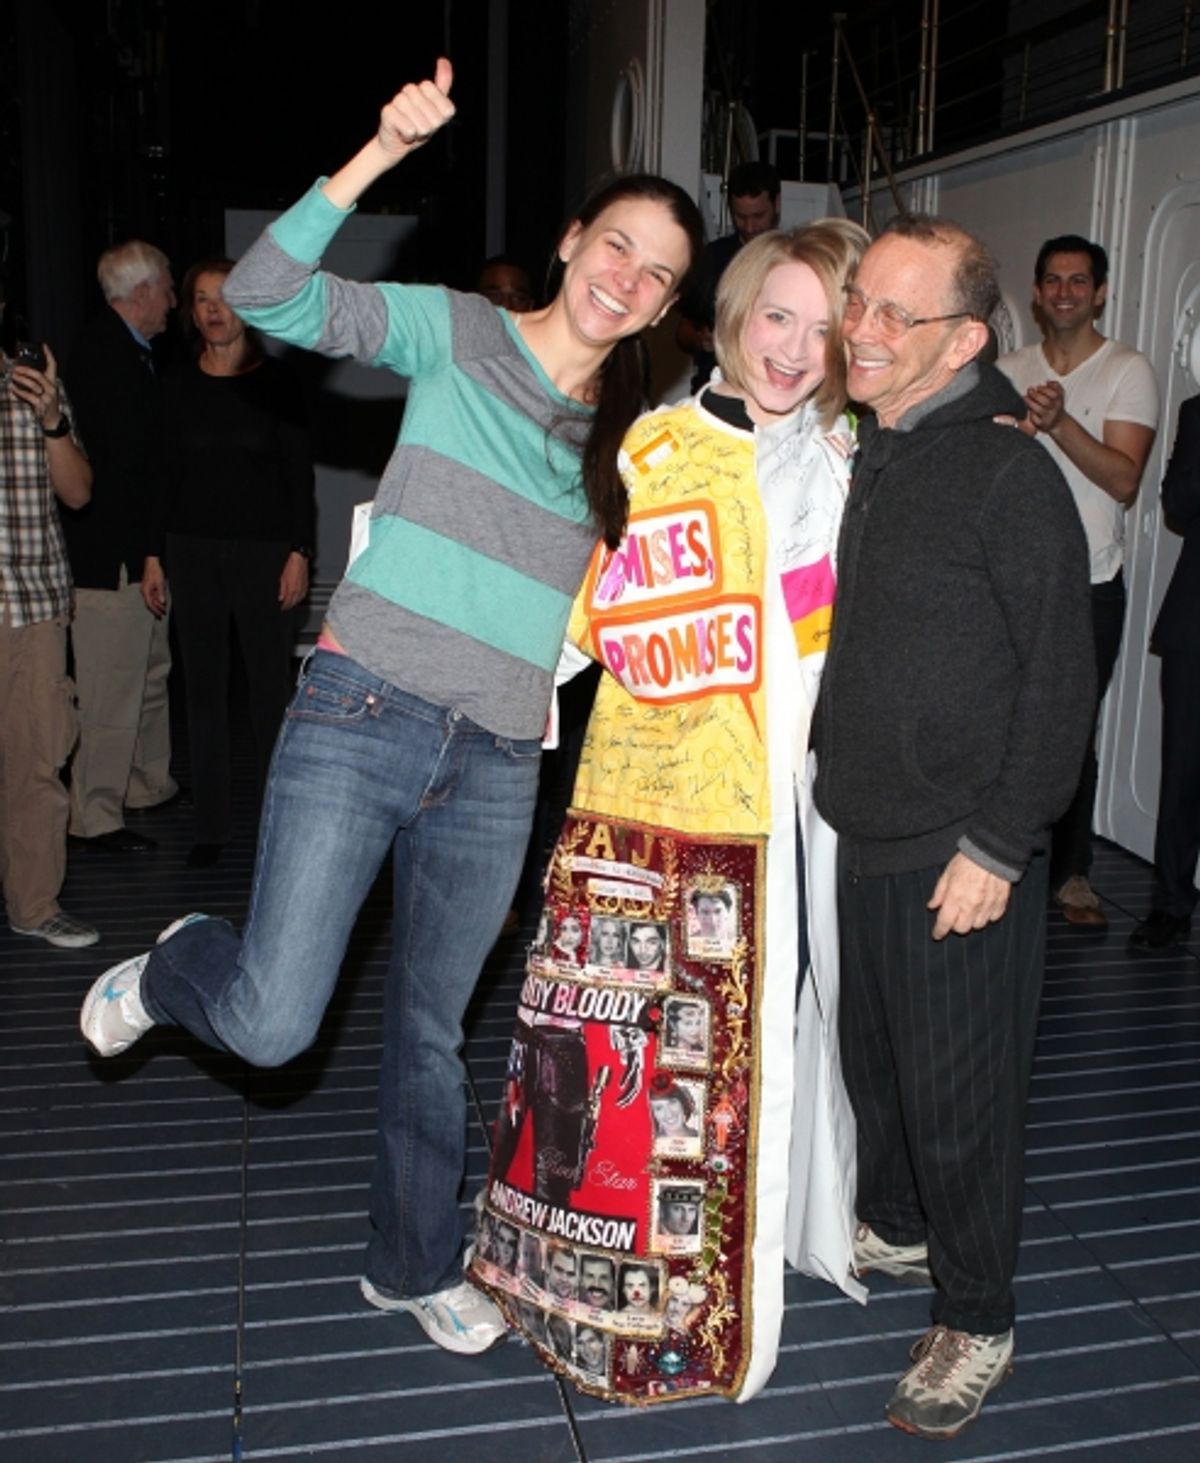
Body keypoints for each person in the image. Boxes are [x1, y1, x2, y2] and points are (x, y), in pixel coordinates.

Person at [79, 59, 702, 1359]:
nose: (631, 279)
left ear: (665, 305)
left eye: (660, 274)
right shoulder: (460, 335)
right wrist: (374, 151)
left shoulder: (629, 438)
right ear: (574, 241)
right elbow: (262, 293)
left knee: (430, 1026)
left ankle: (408, 1260)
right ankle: (183, 960)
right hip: (363, 708)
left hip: (493, 761)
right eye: (619, 245)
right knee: (271, 1018)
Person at [473, 219, 869, 1402]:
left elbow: (831, 648)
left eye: (820, 325)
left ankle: (712, 1313)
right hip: (636, 814)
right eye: (774, 316)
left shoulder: (850, 462)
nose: (793, 348)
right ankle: (574, 1300)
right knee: (592, 1083)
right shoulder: (650, 448)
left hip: (779, 823)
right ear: (735, 318)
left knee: (738, 1088)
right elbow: (566, 625)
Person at [816, 214, 1095, 1438]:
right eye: (857, 303)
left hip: (956, 850)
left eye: (895, 314)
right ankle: (900, 1222)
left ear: (965, 339)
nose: (861, 331)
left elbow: (1060, 678)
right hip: (865, 826)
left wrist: (1001, 840)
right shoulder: (881, 445)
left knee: (961, 1095)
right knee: (876, 1067)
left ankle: (976, 1312)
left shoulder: (1003, 468)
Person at [998, 235, 1159, 928]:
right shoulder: (1006, 369)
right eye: (1052, 280)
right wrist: (1022, 431)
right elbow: (988, 469)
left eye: (1078, 281)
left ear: (1099, 293)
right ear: (1035, 294)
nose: (1065, 291)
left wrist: (1059, 422)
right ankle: (1000, 858)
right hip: (1007, 580)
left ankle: (1072, 873)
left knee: (1071, 730)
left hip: (1090, 582)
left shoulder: (1128, 370)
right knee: (999, 725)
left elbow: (1123, 481)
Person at [142, 257, 316, 869]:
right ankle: (211, 827)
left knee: (269, 692)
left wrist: (300, 551)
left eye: (225, 298)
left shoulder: (277, 383)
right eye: (201, 299)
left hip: (267, 554)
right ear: (191, 311)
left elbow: (299, 478)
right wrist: (153, 555)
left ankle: (281, 822)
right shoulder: (175, 383)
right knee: (205, 693)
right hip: (190, 551)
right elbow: (160, 477)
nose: (214, 309)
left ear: (248, 307)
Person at [63, 241, 179, 853]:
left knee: (147, 673)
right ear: (141, 294)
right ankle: (95, 815)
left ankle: (143, 784)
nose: (172, 303)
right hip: (108, 559)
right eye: (166, 289)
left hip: (134, 554)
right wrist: (144, 556)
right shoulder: (104, 357)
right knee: (110, 687)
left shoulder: (130, 354)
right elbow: (122, 474)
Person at [1, 306, 97, 948]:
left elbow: (80, 493)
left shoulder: (31, 388)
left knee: (38, 762)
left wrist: (53, 420)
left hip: (31, 607)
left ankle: (33, 906)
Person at [1130, 395, 1200, 950]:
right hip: (1194, 626)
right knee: (1180, 771)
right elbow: (1177, 503)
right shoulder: (1198, 411)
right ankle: (1172, 903)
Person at [677, 161, 782, 390]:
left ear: (777, 203)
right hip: (714, 390)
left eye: (759, 215)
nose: (750, 226)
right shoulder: (711, 258)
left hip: (773, 391)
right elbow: (683, 330)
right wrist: (700, 339)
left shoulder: (794, 260)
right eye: (740, 217)